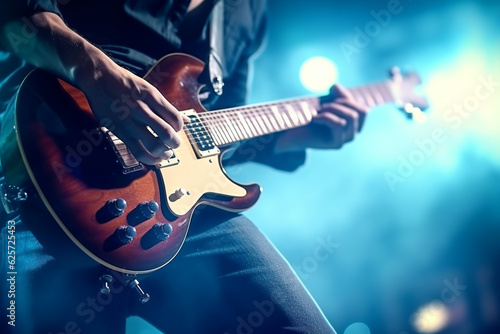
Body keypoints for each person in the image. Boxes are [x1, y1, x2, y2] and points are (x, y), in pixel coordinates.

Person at [0, 1, 368, 333]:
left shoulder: (250, 11)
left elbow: (210, 137)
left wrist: (295, 137)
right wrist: (98, 74)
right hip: (48, 171)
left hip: (179, 213)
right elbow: (15, 18)